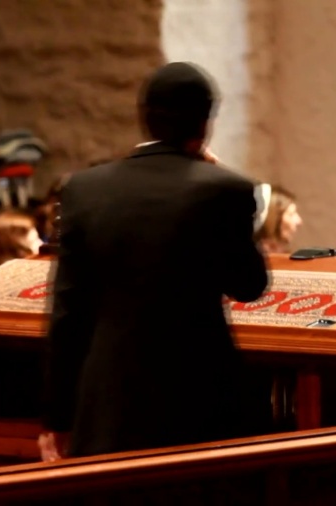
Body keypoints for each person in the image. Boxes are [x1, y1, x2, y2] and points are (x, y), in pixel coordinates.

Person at [40, 62, 269, 461]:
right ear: (205, 123)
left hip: (108, 401)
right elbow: (249, 285)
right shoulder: (226, 189)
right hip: (201, 395)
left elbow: (67, 314)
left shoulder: (85, 189)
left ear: (144, 117)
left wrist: (58, 416)